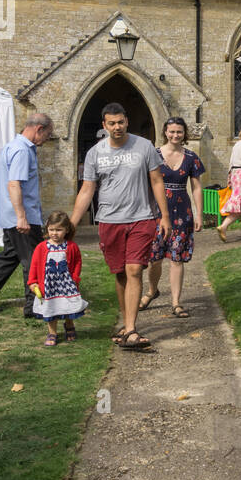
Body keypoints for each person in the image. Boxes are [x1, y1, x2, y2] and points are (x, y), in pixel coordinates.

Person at [69, 102, 172, 351]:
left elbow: (157, 181)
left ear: (127, 121)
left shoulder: (144, 146)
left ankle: (132, 329)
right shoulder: (95, 153)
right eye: (112, 123)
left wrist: (164, 216)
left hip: (141, 217)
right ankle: (127, 326)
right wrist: (72, 222)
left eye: (121, 122)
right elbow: (87, 189)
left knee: (134, 269)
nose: (117, 127)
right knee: (120, 273)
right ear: (104, 126)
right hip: (109, 221)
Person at [0, 112, 54, 316]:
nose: (46, 140)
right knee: (33, 261)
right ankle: (33, 307)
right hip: (22, 217)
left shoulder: (12, 146)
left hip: (11, 216)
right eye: (47, 135)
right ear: (38, 129)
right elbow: (14, 183)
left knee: (8, 258)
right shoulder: (22, 151)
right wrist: (22, 217)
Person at [143, 117, 205, 319]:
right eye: (172, 132)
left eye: (179, 132)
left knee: (177, 258)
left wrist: (199, 214)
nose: (175, 135)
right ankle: (152, 291)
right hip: (157, 213)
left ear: (184, 133)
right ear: (165, 132)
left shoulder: (191, 157)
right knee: (155, 259)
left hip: (182, 212)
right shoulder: (153, 155)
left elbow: (196, 187)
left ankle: (176, 302)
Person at [27, 211, 88, 346]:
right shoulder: (41, 247)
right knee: (51, 308)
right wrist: (32, 282)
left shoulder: (71, 246)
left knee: (67, 307)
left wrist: (75, 278)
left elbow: (77, 262)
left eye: (58, 230)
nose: (54, 233)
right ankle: (52, 333)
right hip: (49, 286)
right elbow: (34, 265)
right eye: (51, 230)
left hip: (66, 285)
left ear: (66, 230)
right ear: (47, 229)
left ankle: (69, 325)